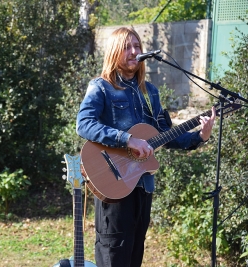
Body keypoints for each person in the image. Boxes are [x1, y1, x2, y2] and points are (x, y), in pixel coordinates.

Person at [76, 27, 216, 267]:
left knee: (134, 256)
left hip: (142, 186)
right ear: (113, 52)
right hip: (113, 184)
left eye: (137, 46)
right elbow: (84, 124)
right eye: (127, 47)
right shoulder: (101, 87)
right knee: (113, 256)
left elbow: (165, 136)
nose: (134, 52)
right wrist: (127, 139)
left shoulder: (150, 92)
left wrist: (200, 136)